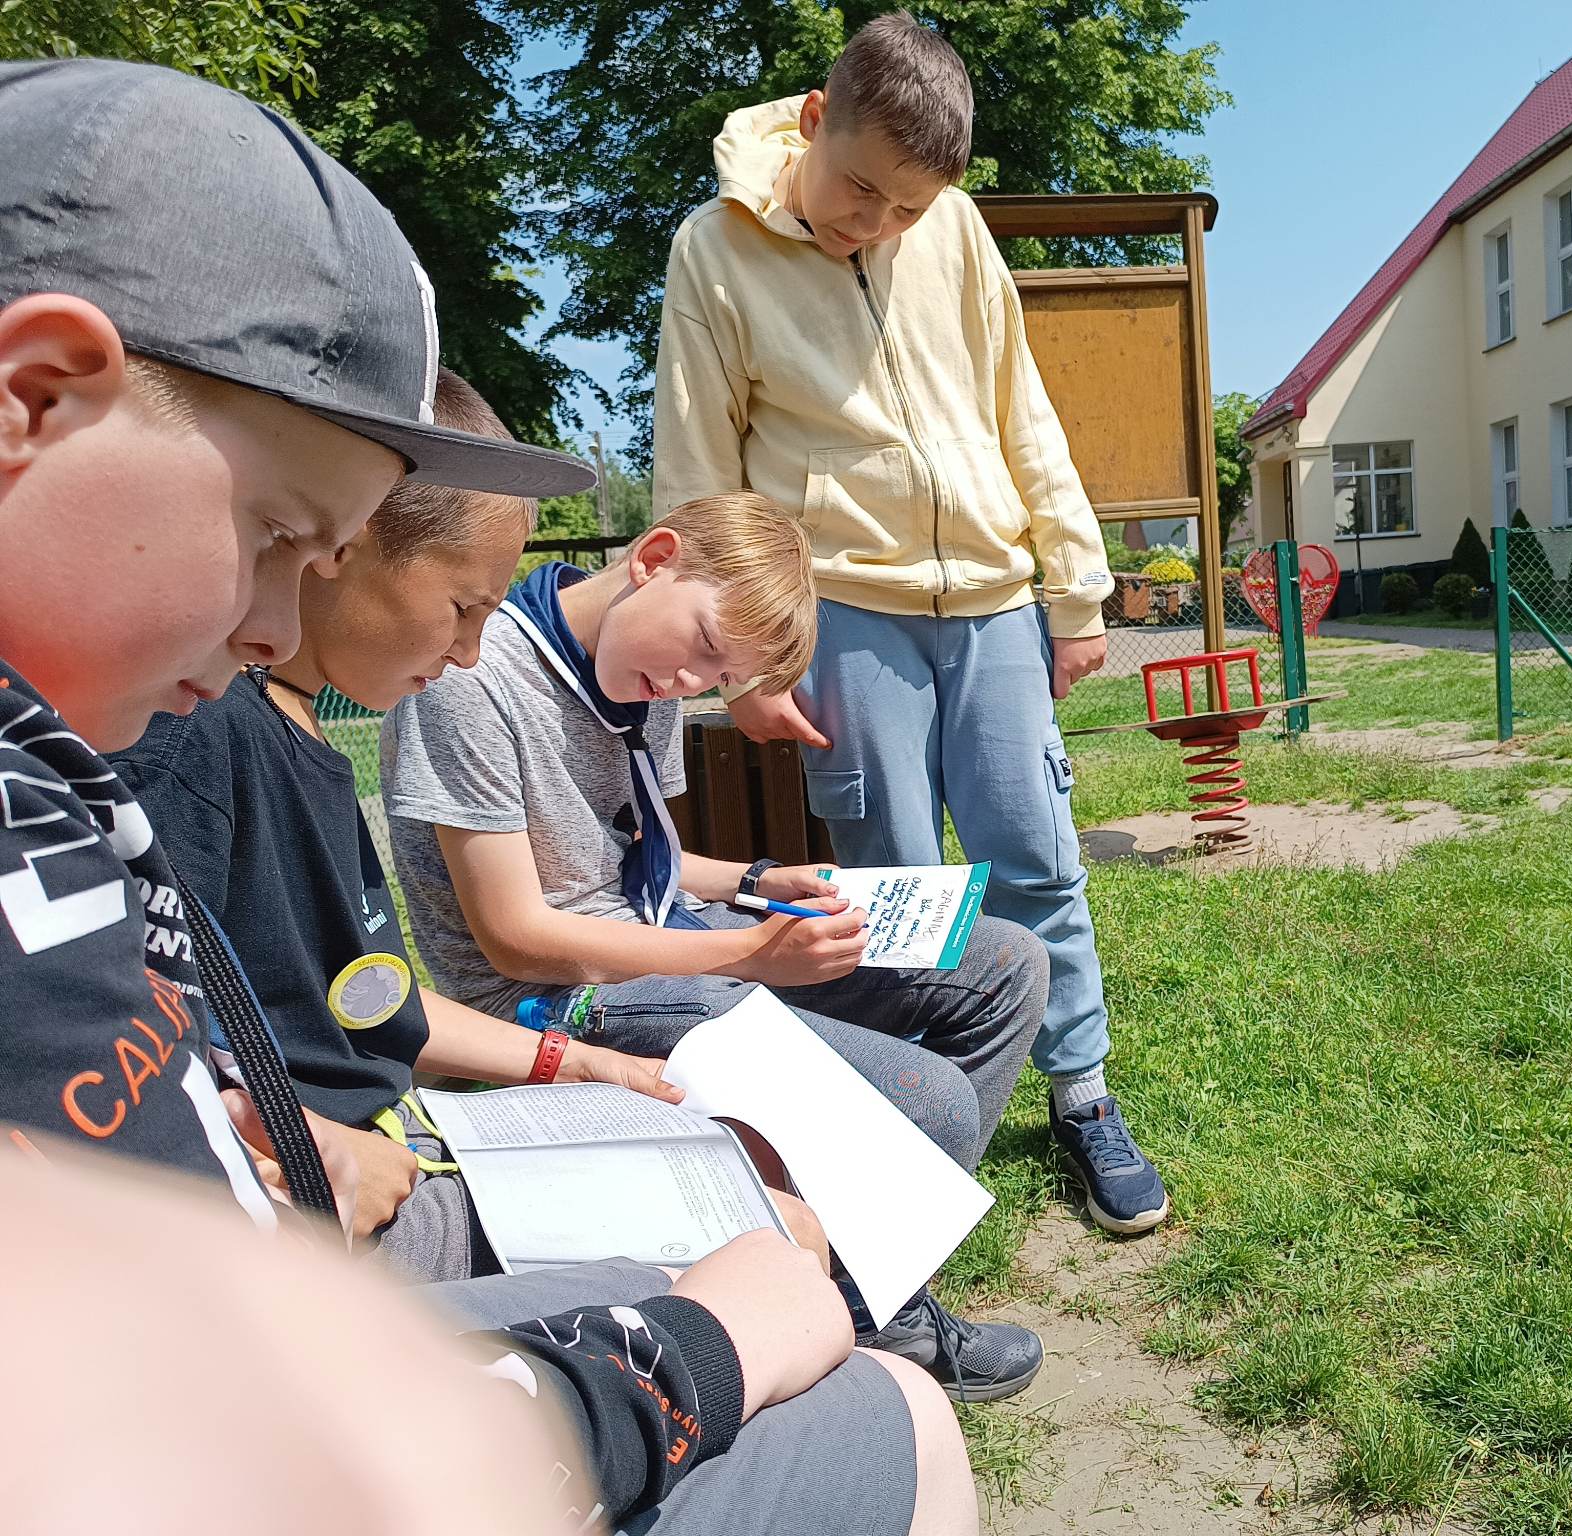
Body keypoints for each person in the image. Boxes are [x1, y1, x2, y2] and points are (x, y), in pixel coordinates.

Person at [0, 57, 973, 1533]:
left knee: (893, 1106)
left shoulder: (101, 766)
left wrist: (665, 981)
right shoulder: (163, 751)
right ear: (35, 398)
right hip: (366, 1259)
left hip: (392, 1172)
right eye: (279, 536)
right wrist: (676, 1349)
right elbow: (498, 955)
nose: (277, 616)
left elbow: (349, 1002)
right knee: (864, 1344)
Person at [650, 10, 1168, 1234]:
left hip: (992, 600)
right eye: (860, 190)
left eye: (905, 209)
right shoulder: (712, 252)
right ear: (814, 120)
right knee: (887, 883)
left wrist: (1072, 587)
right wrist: (744, 663)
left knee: (1034, 854)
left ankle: (1081, 1093)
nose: (873, 224)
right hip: (847, 614)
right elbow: (699, 472)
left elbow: (1018, 406)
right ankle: (903, 1112)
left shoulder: (956, 230)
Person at [380, 493, 1050, 1400]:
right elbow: (517, 939)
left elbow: (643, 856)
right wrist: (746, 959)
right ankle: (867, 1311)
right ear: (655, 558)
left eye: (714, 679)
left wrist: (756, 882)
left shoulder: (640, 668)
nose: (688, 687)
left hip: (667, 943)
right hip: (552, 999)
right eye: (700, 650)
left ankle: (865, 1276)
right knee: (926, 1099)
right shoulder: (476, 681)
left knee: (1006, 967)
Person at [113, 367, 708, 1282]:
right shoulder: (199, 733)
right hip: (322, 1193)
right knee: (763, 1231)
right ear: (346, 541)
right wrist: (305, 1137)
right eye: (463, 608)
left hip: (398, 1132)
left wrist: (569, 1064)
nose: (469, 653)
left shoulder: (300, 727)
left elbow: (367, 994)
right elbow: (126, 1020)